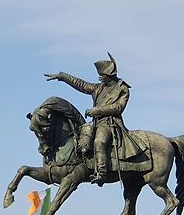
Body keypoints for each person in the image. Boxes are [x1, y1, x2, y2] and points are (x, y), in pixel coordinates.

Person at [45, 53, 137, 185]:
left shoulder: (122, 89)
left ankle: (101, 172)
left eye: (102, 76)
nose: (100, 78)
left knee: (99, 141)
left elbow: (118, 107)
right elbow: (81, 84)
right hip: (96, 123)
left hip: (110, 124)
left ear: (109, 76)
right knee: (80, 138)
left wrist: (96, 111)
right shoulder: (99, 88)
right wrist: (63, 76)